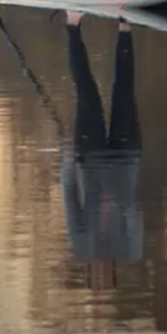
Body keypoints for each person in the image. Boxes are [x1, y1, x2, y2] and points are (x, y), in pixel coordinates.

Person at [60, 15, 142, 269]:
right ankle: (125, 25)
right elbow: (134, 216)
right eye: (104, 278)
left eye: (97, 278)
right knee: (125, 89)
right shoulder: (129, 250)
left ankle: (72, 26)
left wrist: (67, 160)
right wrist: (120, 206)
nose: (101, 272)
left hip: (91, 156)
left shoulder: (82, 245)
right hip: (126, 159)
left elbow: (70, 198)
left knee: (86, 90)